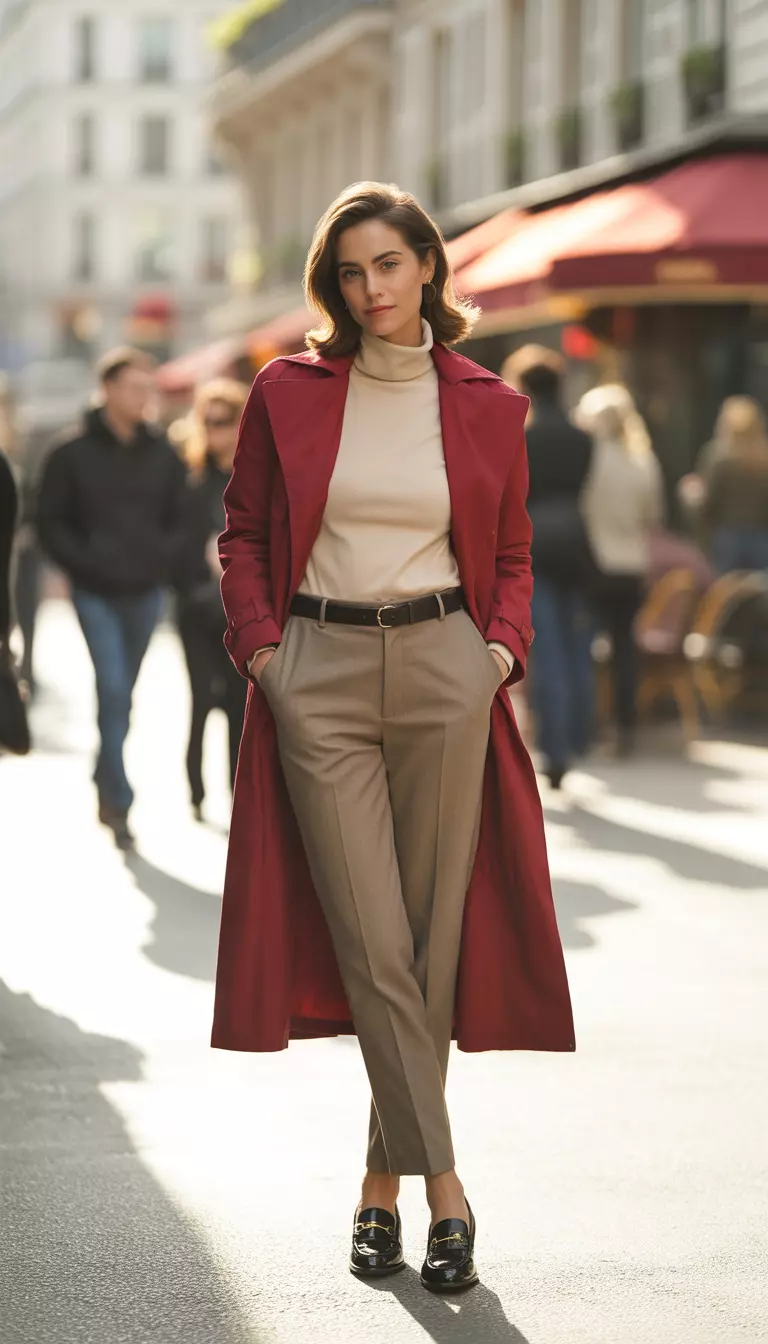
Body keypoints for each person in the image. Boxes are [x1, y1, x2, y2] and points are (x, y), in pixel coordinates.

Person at [211, 181, 574, 1292]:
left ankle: (378, 1190)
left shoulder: (488, 405)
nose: (370, 289)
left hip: (443, 672)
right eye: (351, 271)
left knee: (427, 946)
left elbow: (509, 555)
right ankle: (447, 1191)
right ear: (334, 282)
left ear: (427, 265)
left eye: (388, 265)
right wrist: (266, 652)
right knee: (375, 940)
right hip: (315, 671)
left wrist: (498, 655)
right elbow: (244, 535)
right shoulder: (288, 391)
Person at [37, 348, 187, 849]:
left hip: (145, 591)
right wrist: (82, 564)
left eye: (149, 388)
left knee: (123, 693)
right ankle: (119, 799)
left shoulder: (163, 452)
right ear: (107, 390)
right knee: (114, 685)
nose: (144, 397)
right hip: (94, 591)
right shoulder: (70, 452)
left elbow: (180, 517)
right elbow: (49, 519)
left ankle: (105, 775)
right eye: (134, 387)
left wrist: (159, 561)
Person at [500, 345, 595, 790]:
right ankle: (578, 738)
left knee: (548, 649)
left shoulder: (523, 436)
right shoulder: (582, 437)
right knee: (577, 645)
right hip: (576, 542)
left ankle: (555, 749)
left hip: (533, 544)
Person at [175, 379, 249, 820]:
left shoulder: (256, 474)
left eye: (225, 421)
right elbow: (173, 538)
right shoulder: (190, 477)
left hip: (240, 605)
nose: (217, 430)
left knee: (240, 699)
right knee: (201, 697)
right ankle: (196, 791)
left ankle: (236, 791)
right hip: (197, 603)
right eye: (209, 421)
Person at [576, 384, 664, 755]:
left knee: (585, 646)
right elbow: (654, 516)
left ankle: (588, 728)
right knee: (624, 650)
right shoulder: (643, 460)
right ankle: (625, 727)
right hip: (632, 565)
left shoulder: (588, 458)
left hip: (595, 563)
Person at [697, 396, 768, 573]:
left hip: (727, 535)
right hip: (761, 536)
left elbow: (709, 500)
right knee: (759, 593)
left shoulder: (719, 457)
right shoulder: (764, 459)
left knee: (726, 592)